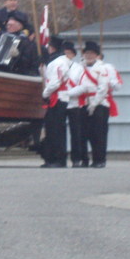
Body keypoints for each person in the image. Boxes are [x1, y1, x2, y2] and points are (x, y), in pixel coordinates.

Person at [67, 41, 112, 168]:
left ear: (97, 55)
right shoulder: (80, 68)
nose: (89, 55)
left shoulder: (102, 69)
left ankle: (99, 159)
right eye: (87, 53)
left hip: (99, 103)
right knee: (83, 133)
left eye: (92, 53)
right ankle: (84, 159)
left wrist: (94, 104)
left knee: (98, 134)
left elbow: (103, 88)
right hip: (83, 103)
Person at [40, 36, 71, 168]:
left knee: (56, 129)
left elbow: (54, 83)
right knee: (53, 129)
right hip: (57, 97)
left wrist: (45, 93)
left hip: (57, 98)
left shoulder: (58, 62)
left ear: (52, 47)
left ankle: (58, 158)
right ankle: (52, 158)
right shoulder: (59, 61)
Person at [63, 42, 88, 167]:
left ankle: (76, 158)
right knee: (59, 132)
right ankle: (60, 158)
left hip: (74, 103)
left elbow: (83, 86)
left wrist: (67, 94)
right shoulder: (56, 65)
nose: (66, 55)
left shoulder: (78, 68)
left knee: (76, 133)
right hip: (60, 103)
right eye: (64, 53)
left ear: (73, 54)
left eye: (69, 53)